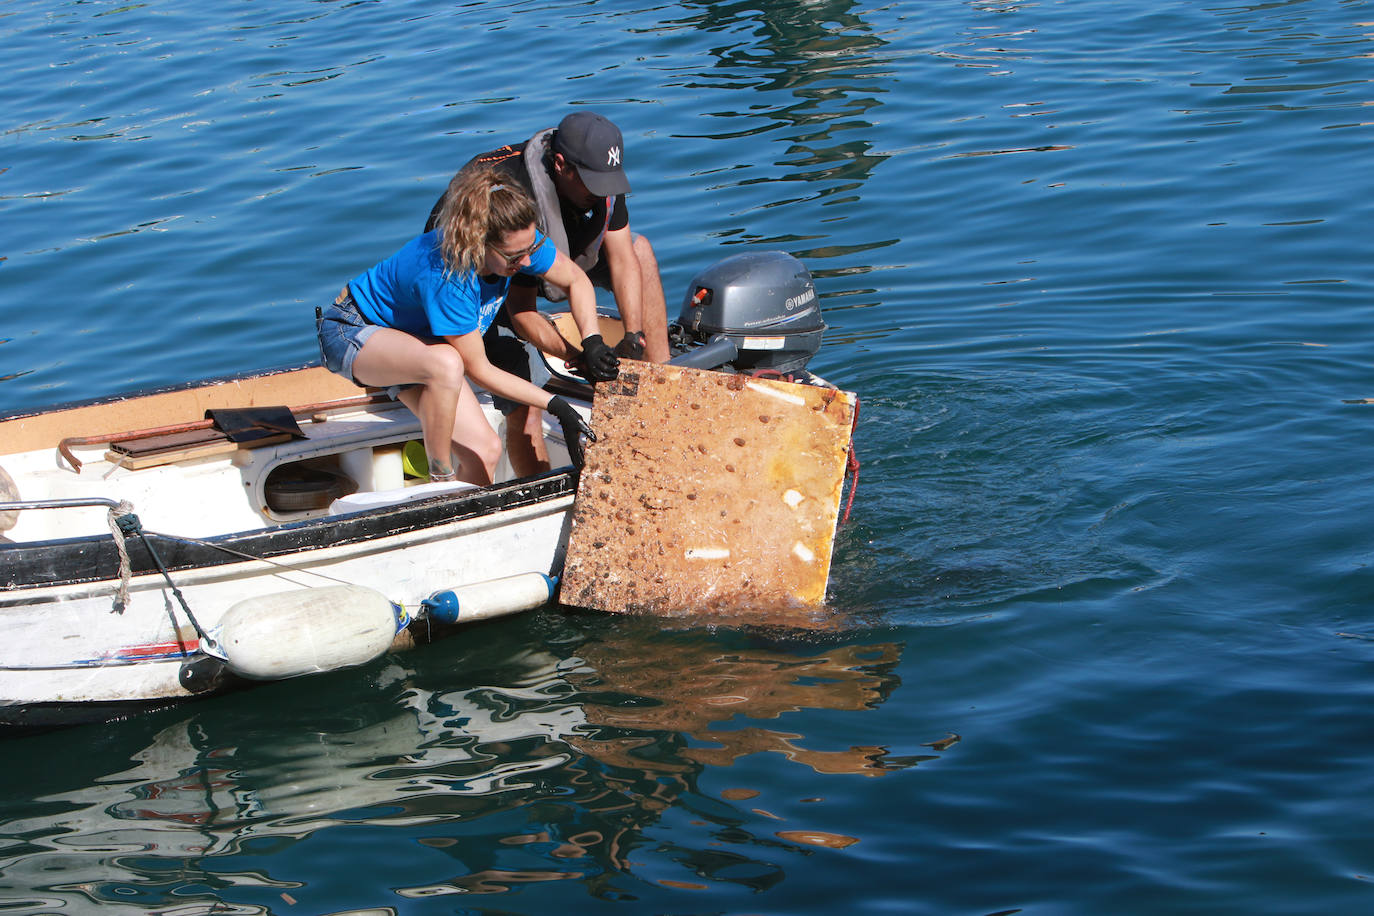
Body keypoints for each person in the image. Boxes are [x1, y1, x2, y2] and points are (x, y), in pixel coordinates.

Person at [317, 166, 618, 485]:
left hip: (418, 343)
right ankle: (441, 475)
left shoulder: (518, 241)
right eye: (516, 257)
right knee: (447, 363)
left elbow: (575, 279)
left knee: (485, 451)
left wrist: (592, 341)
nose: (527, 263)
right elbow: (479, 369)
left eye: (531, 250)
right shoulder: (449, 277)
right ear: (479, 244)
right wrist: (556, 405)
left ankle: (457, 514)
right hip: (353, 331)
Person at [425, 110, 671, 474]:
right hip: (482, 278)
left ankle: (664, 387)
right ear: (561, 165)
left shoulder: (599, 179)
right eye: (592, 184)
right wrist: (576, 355)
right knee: (526, 409)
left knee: (641, 252)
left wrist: (631, 337)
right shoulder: (517, 201)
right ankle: (534, 490)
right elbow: (521, 311)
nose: (601, 192)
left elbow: (620, 257)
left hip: (545, 256)